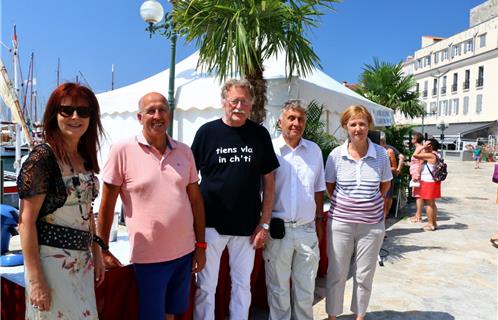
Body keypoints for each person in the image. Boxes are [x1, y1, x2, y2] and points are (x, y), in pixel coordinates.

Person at [97, 92, 206, 320]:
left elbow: (195, 200)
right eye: (151, 111)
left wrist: (200, 245)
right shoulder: (122, 150)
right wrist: (102, 248)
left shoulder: (184, 151)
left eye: (162, 109)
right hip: (149, 259)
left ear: (170, 114)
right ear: (139, 117)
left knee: (173, 312)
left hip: (185, 253)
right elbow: (107, 204)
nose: (157, 115)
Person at [191, 79, 279, 320]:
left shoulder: (259, 134)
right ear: (224, 102)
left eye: (245, 102)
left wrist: (265, 223)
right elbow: (189, 180)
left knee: (242, 286)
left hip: (248, 228)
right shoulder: (206, 133)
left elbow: (269, 183)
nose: (239, 106)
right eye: (235, 101)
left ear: (252, 105)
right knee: (206, 287)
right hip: (210, 226)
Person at [17, 83, 105, 319]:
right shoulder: (42, 158)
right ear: (54, 114)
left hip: (82, 263)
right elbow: (26, 222)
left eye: (83, 111)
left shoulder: (84, 157)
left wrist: (96, 251)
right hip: (51, 265)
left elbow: (87, 209)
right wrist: (35, 280)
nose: (75, 116)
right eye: (67, 110)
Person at [324, 105, 392, 320]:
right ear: (345, 127)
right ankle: (333, 316)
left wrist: (367, 205)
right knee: (337, 272)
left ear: (368, 126)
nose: (358, 128)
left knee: (364, 274)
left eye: (362, 123)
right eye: (353, 124)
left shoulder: (381, 154)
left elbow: (384, 186)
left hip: (371, 226)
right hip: (340, 223)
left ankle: (359, 316)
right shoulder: (336, 155)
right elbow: (330, 186)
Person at [264, 100, 326, 320]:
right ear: (280, 121)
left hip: (306, 231)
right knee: (278, 290)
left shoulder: (314, 151)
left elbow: (319, 189)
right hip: (277, 231)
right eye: (291, 118)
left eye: (300, 119)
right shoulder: (269, 148)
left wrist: (319, 223)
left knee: (305, 291)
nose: (296, 123)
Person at [413, 138, 441, 231]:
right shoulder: (436, 154)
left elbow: (415, 155)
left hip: (428, 182)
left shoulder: (430, 155)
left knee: (429, 204)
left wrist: (423, 147)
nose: (424, 146)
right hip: (433, 182)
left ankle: (430, 224)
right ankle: (434, 223)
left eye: (426, 144)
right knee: (432, 204)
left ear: (430, 146)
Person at [379, 132, 405, 219]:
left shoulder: (389, 150)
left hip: (387, 177)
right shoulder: (375, 150)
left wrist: (398, 169)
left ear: (382, 141)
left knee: (387, 196)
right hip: (378, 177)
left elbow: (394, 167)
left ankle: (385, 214)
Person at [409, 131, 425, 223]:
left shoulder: (420, 148)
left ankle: (418, 216)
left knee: (418, 195)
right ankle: (417, 214)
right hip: (415, 173)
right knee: (417, 195)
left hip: (417, 174)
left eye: (413, 138)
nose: (411, 139)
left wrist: (417, 174)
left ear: (416, 139)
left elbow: (421, 162)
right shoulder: (418, 148)